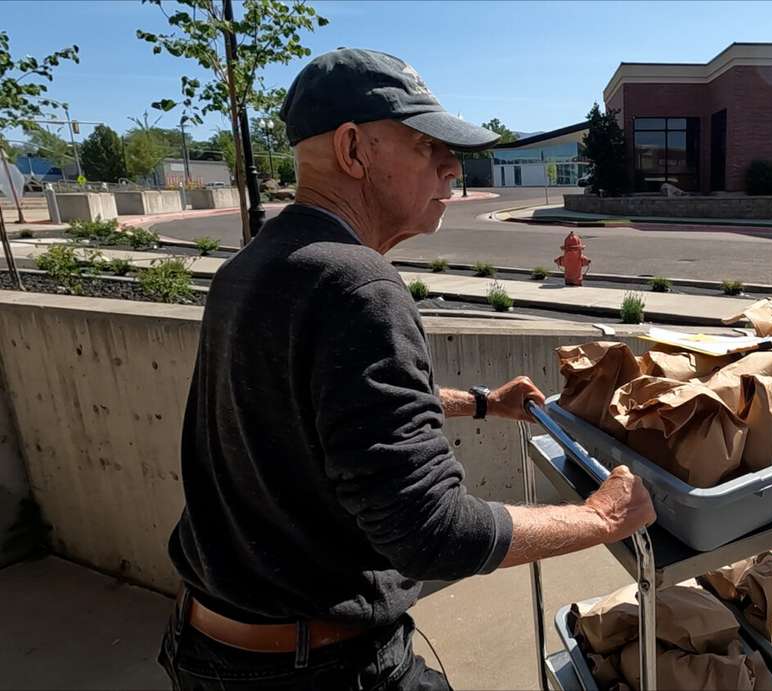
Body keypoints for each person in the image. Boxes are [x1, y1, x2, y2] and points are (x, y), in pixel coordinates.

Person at [158, 48, 655, 691]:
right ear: (353, 150)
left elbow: (312, 410)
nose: (453, 167)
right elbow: (431, 532)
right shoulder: (356, 284)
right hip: (318, 668)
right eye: (426, 146)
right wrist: (602, 518)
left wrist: (479, 401)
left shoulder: (254, 265)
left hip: (209, 648)